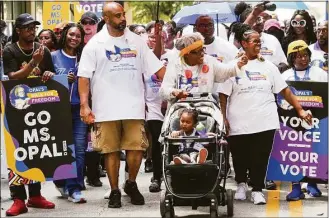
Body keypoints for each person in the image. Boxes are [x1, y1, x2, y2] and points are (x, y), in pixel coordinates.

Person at [77, 2, 165, 208]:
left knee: (137, 148)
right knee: (111, 150)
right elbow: (84, 77)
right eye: (117, 16)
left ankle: (131, 184)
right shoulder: (95, 44)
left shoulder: (137, 41)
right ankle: (115, 189)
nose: (122, 19)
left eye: (123, 14)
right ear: (106, 19)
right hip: (106, 108)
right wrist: (84, 105)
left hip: (133, 107)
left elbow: (157, 69)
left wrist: (175, 86)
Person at [218, 28, 313, 205]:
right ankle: (241, 184)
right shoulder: (233, 65)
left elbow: (284, 90)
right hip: (239, 121)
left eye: (260, 41)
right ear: (244, 44)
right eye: (255, 41)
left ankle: (257, 189)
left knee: (260, 156)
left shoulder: (268, 66)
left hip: (265, 121)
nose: (259, 44)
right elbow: (223, 95)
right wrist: (223, 117)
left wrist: (300, 109)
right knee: (240, 156)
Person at [2, 13, 55, 216]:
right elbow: (13, 78)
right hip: (15, 107)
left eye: (34, 27)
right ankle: (18, 198)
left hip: (38, 108)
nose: (32, 31)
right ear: (18, 30)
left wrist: (48, 74)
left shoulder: (43, 51)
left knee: (36, 149)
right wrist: (34, 64)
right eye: (27, 28)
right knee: (16, 150)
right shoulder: (10, 50)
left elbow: (49, 75)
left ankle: (35, 195)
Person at [282, 40, 327, 201]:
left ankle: (312, 184)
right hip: (292, 122)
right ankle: (296, 187)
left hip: (316, 120)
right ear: (291, 58)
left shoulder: (320, 73)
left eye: (306, 55)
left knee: (314, 152)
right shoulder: (285, 76)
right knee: (295, 153)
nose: (303, 59)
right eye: (299, 56)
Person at [51, 23, 87, 203]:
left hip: (79, 108)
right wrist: (58, 78)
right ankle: (61, 181)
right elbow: (43, 79)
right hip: (59, 109)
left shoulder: (85, 58)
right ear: (65, 35)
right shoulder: (52, 57)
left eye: (78, 36)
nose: (74, 38)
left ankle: (75, 188)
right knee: (63, 149)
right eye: (71, 34)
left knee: (79, 150)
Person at [159, 32, 248, 103]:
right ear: (186, 54)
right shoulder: (175, 65)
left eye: (202, 49)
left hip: (205, 109)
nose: (202, 54)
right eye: (197, 52)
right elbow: (163, 90)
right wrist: (174, 92)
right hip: (179, 111)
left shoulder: (209, 61)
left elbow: (226, 71)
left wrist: (239, 64)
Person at [79, 11, 104, 188]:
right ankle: (79, 175)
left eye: (91, 22)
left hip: (100, 96)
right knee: (80, 139)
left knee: (96, 137)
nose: (87, 25)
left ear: (97, 24)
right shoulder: (74, 43)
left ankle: (94, 173)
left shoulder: (102, 44)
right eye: (84, 22)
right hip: (79, 98)